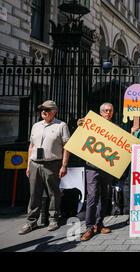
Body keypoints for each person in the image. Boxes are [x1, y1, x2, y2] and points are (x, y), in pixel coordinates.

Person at [19, 100, 70, 234]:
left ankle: (53, 219)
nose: (43, 112)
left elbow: (67, 147)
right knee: (34, 194)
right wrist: (28, 165)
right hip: (35, 163)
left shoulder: (61, 125)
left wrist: (64, 165)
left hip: (52, 164)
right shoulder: (36, 126)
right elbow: (31, 146)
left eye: (47, 110)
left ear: (54, 111)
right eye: (42, 109)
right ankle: (31, 222)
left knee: (54, 193)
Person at [79, 103, 115, 241]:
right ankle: (89, 227)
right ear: (100, 113)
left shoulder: (115, 128)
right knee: (92, 197)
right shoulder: (92, 125)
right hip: (92, 167)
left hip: (107, 168)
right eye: (106, 111)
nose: (108, 113)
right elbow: (80, 135)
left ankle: (99, 224)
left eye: (110, 111)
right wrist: (80, 124)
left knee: (104, 197)